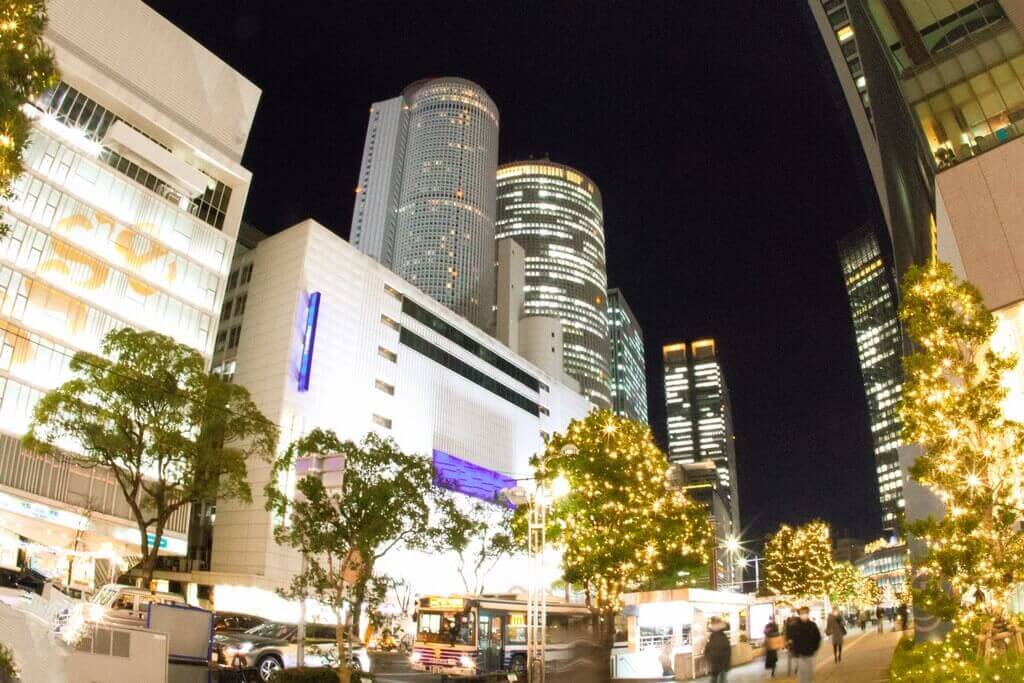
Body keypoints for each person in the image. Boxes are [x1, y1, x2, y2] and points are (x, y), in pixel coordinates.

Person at [788, 606, 822, 683]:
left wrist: (815, 648)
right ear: (799, 614)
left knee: (810, 673)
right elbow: (792, 639)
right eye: (802, 613)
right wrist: (795, 650)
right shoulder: (795, 626)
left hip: (810, 652)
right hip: (800, 654)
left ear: (808, 613)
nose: (804, 615)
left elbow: (817, 637)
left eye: (806, 613)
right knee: (802, 673)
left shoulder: (812, 625)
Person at [704, 616, 731, 683]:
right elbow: (726, 650)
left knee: (716, 679)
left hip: (718, 665)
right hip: (721, 664)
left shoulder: (715, 635)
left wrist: (709, 657)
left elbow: (710, 649)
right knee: (720, 680)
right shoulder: (720, 635)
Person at [783, 609, 801, 675]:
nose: (793, 613)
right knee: (790, 655)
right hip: (791, 641)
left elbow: (801, 630)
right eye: (792, 612)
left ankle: (796, 668)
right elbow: (785, 631)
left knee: (796, 656)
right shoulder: (788, 620)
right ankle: (790, 669)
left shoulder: (798, 620)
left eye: (794, 612)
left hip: (797, 641)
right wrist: (786, 640)